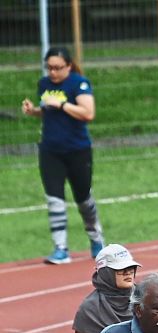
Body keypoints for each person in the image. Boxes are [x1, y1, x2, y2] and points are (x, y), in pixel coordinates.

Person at [21, 46, 105, 265]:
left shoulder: (79, 83)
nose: (53, 72)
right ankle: (60, 248)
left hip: (77, 150)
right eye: (49, 67)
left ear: (68, 66)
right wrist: (34, 111)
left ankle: (96, 240)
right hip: (50, 150)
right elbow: (48, 111)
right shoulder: (44, 84)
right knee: (54, 199)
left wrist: (63, 104)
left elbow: (88, 113)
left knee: (83, 199)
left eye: (58, 68)